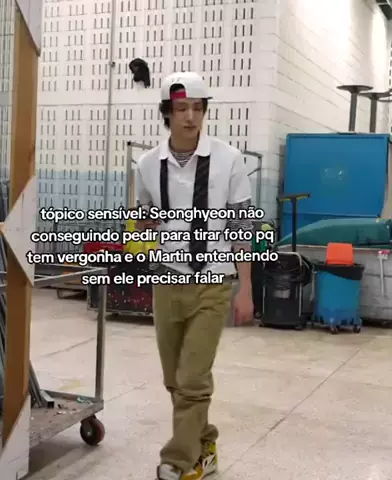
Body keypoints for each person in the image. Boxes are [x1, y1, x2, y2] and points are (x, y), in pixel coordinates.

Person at [135, 72, 255, 480]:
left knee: (193, 377)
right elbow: (144, 214)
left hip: (213, 281)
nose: (190, 116)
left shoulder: (229, 159)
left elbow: (241, 227)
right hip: (167, 281)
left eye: (198, 108)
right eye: (182, 108)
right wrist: (142, 222)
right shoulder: (147, 164)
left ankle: (178, 459)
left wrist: (246, 288)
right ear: (167, 112)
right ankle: (206, 446)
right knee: (174, 378)